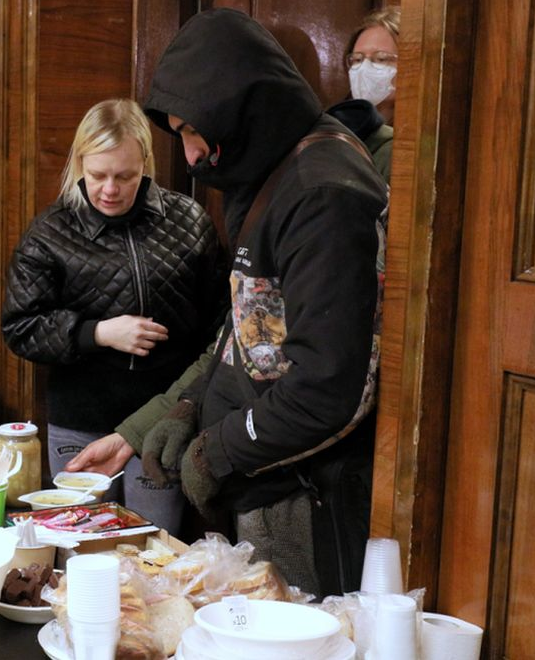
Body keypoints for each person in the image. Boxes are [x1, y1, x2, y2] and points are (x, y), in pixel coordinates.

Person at [82, 9, 389, 597]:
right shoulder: (273, 170)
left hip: (309, 496)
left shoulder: (323, 192)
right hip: (266, 484)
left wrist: (219, 449)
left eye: (196, 133)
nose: (193, 156)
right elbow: (248, 331)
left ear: (241, 111)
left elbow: (328, 388)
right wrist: (185, 406)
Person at [1, 99, 224, 534]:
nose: (109, 189)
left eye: (125, 176)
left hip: (158, 423)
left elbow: (220, 322)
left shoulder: (188, 221)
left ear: (146, 162)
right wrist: (97, 333)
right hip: (79, 422)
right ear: (79, 163)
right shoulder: (50, 231)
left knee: (154, 550)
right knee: (82, 552)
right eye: (97, 175)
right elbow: (19, 327)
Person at [329, 7, 400, 179]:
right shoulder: (334, 129)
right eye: (357, 60)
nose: (364, 68)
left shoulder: (404, 145)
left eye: (381, 59)